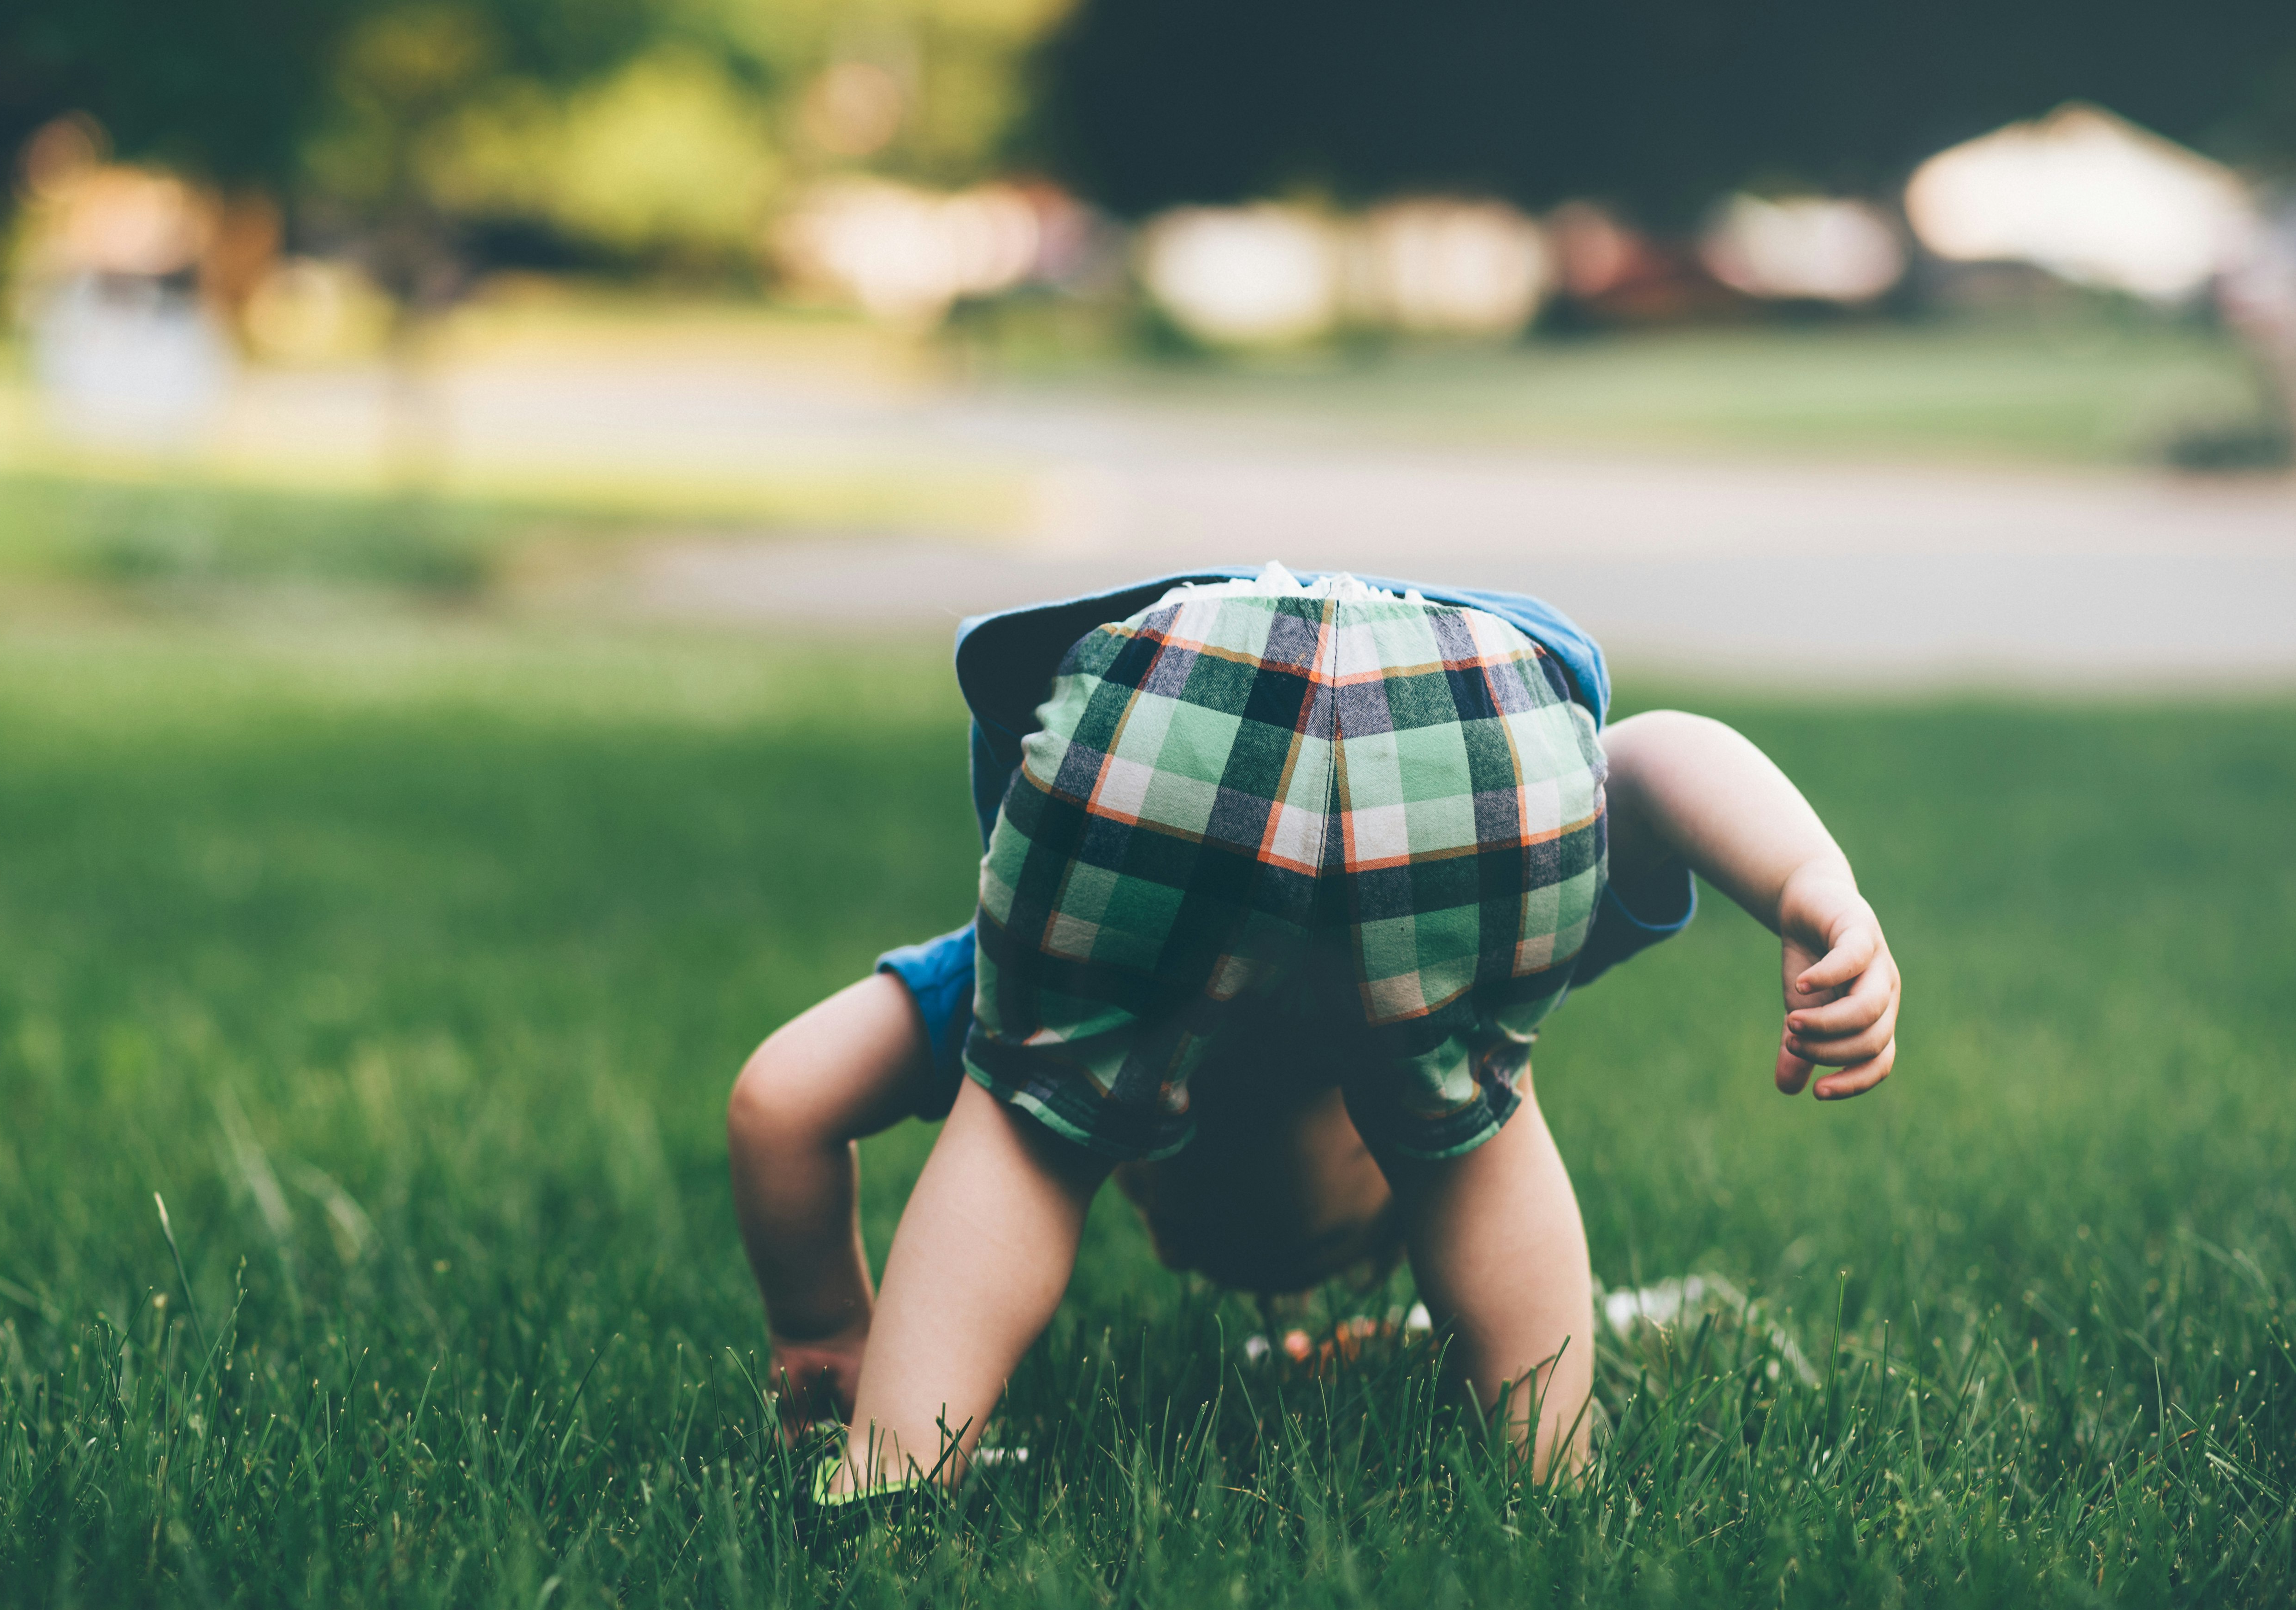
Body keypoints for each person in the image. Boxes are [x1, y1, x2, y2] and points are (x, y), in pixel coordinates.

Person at [727, 565, 1899, 1490]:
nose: (1179, 1243)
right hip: (1378, 691)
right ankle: (1554, 1484)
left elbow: (781, 1097)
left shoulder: (1055, 975)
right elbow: (1643, 764)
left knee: (1037, 1121)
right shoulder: (1429, 970)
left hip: (1242, 698)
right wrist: (1808, 881)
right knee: (1463, 1116)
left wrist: (823, 1318)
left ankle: (891, 1470)